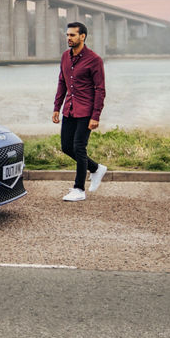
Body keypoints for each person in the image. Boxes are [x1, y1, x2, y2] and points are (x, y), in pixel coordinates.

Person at [51, 21, 106, 202]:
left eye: (72, 35)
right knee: (66, 147)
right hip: (69, 109)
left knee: (79, 148)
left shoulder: (94, 60)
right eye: (67, 35)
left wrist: (95, 116)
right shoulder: (65, 57)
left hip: (86, 111)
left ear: (82, 36)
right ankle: (96, 168)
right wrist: (56, 108)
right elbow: (62, 83)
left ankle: (79, 189)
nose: (68, 38)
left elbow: (100, 89)